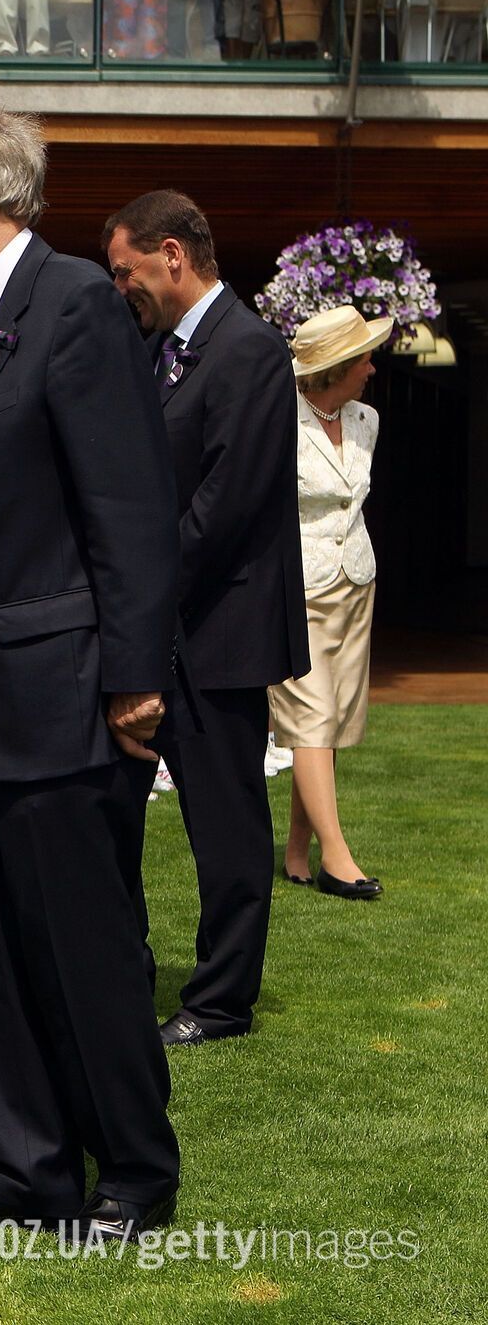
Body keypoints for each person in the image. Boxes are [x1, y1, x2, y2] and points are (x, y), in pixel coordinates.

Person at [0, 106, 181, 1242]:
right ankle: (20, 1173)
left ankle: (134, 1180)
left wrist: (131, 678)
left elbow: (129, 512)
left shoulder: (71, 307)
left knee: (82, 952)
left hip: (58, 699)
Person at [101, 190, 308, 1042]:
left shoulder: (251, 349)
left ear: (174, 255)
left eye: (127, 270)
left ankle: (222, 999)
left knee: (225, 827)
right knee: (112, 811)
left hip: (220, 631)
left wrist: (138, 590)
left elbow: (227, 503)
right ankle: (126, 971)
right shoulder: (159, 353)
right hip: (158, 630)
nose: (122, 288)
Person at [271, 306, 392, 902]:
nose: (372, 366)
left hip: (355, 583)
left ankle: (298, 848)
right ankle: (336, 858)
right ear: (335, 368)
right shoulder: (277, 419)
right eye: (364, 357)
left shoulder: (366, 419)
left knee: (331, 720)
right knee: (310, 717)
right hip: (298, 588)